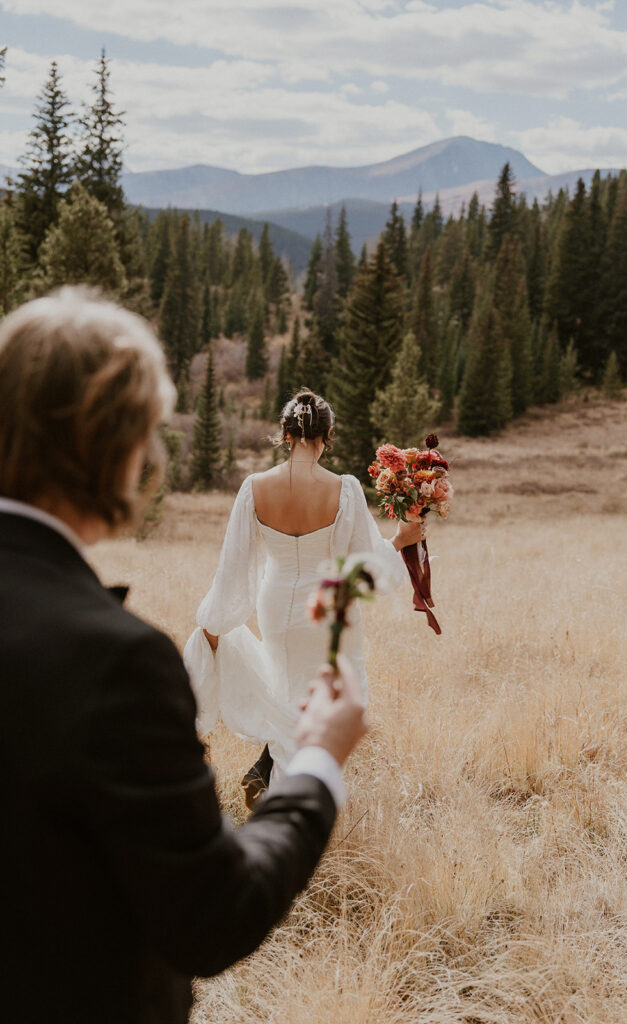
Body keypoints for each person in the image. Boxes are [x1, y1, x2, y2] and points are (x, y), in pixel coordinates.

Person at [0, 289, 368, 1024]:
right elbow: (212, 915)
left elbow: (233, 579)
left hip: (268, 606)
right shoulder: (115, 664)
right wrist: (322, 762)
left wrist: (214, 624)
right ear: (123, 454)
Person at [184, 389, 424, 807]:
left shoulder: (254, 487)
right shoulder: (345, 489)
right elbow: (370, 569)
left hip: (275, 605)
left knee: (286, 695)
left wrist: (215, 624)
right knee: (329, 705)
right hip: (329, 609)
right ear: (327, 435)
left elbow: (234, 566)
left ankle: (274, 779)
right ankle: (293, 804)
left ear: (285, 433)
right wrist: (402, 539)